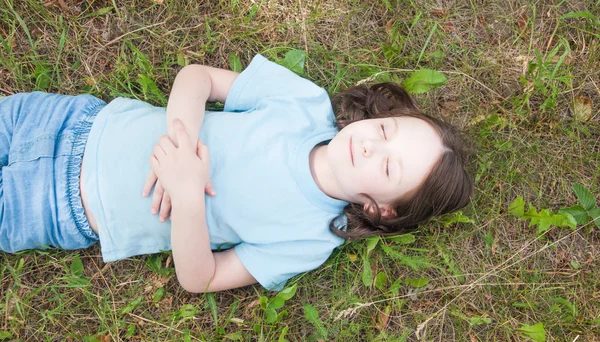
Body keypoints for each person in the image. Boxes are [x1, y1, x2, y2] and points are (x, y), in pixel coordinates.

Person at [0, 54, 473, 293]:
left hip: (59, 208)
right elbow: (196, 78)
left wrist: (187, 196)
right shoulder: (302, 104)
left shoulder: (309, 239)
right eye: (386, 128)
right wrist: (182, 143)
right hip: (70, 122)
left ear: (381, 208)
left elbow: (200, 278)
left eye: (387, 165)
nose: (371, 144)